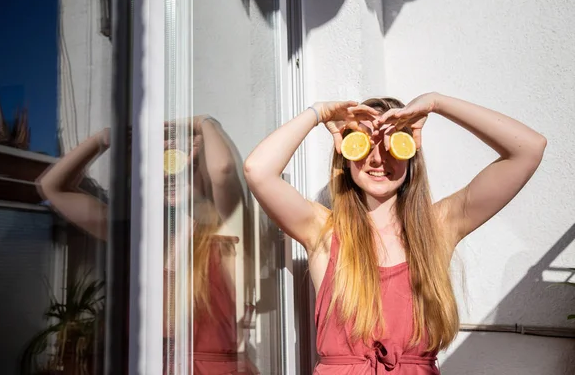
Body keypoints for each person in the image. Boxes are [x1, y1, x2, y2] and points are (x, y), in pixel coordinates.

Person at [243, 92, 546, 374]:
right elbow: (258, 170)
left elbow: (528, 149)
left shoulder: (437, 227)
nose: (377, 159)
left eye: (391, 145)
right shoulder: (323, 230)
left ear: (411, 152)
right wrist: (318, 113)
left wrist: (437, 103)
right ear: (345, 155)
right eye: (364, 145)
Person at [37, 116, 259, 374]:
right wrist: (103, 139)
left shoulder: (223, 233)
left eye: (184, 162)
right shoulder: (141, 237)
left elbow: (224, 171)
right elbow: (51, 187)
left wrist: (202, 123)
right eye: (162, 165)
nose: (171, 172)